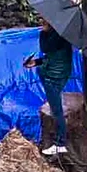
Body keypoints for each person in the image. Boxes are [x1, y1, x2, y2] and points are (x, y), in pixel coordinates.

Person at [25, 19, 73, 156]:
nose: (41, 22)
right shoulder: (59, 34)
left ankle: (60, 143)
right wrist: (36, 62)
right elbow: (52, 56)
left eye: (44, 21)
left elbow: (45, 48)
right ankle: (59, 140)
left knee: (57, 110)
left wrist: (43, 32)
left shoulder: (56, 35)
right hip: (58, 73)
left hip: (54, 77)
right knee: (54, 108)